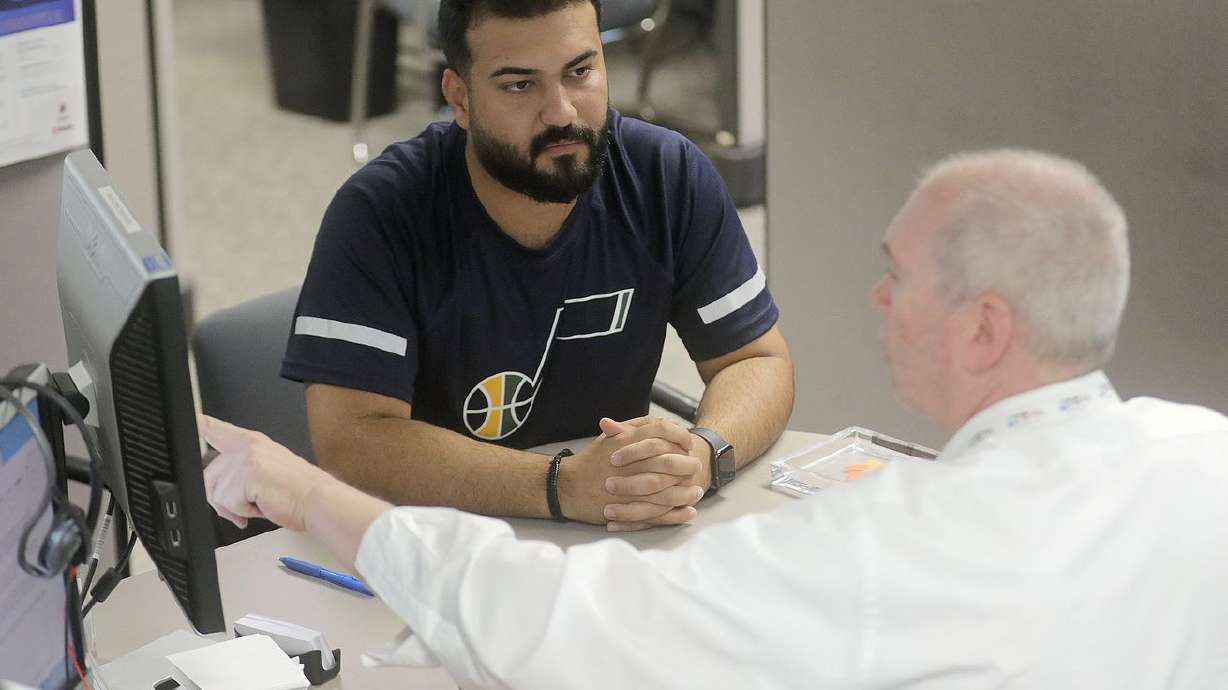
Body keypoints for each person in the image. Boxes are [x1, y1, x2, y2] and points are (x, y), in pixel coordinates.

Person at [206, 150, 1228, 688]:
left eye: (897, 278)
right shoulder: (1205, 452)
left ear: (983, 329)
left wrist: (303, 492)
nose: (876, 301)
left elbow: (557, 631)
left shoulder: (894, 550)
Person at [280, 0, 794, 532]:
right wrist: (560, 484)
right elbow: (353, 440)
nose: (562, 112)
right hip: (433, 545)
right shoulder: (380, 213)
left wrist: (701, 457)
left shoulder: (666, 175)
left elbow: (757, 360)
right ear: (459, 97)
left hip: (606, 536)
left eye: (580, 72)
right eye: (520, 85)